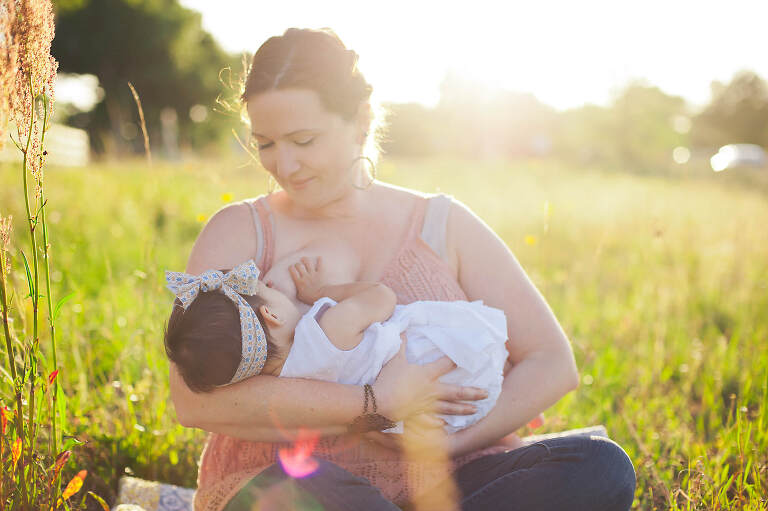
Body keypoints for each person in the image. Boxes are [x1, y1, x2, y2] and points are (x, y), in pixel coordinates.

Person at [168, 27, 636, 511]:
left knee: (600, 466)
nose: (284, 165)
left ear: (361, 122)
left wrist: (452, 443)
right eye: (265, 143)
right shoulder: (240, 231)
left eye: (303, 140)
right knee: (307, 491)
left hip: (453, 480)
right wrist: (375, 403)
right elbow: (194, 400)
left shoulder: (442, 224)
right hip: (304, 486)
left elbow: (552, 363)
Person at [164, 257, 509, 434]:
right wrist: (321, 291)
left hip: (437, 416)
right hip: (440, 359)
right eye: (270, 289)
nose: (275, 286)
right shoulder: (328, 330)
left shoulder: (288, 382)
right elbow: (381, 297)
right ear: (271, 314)